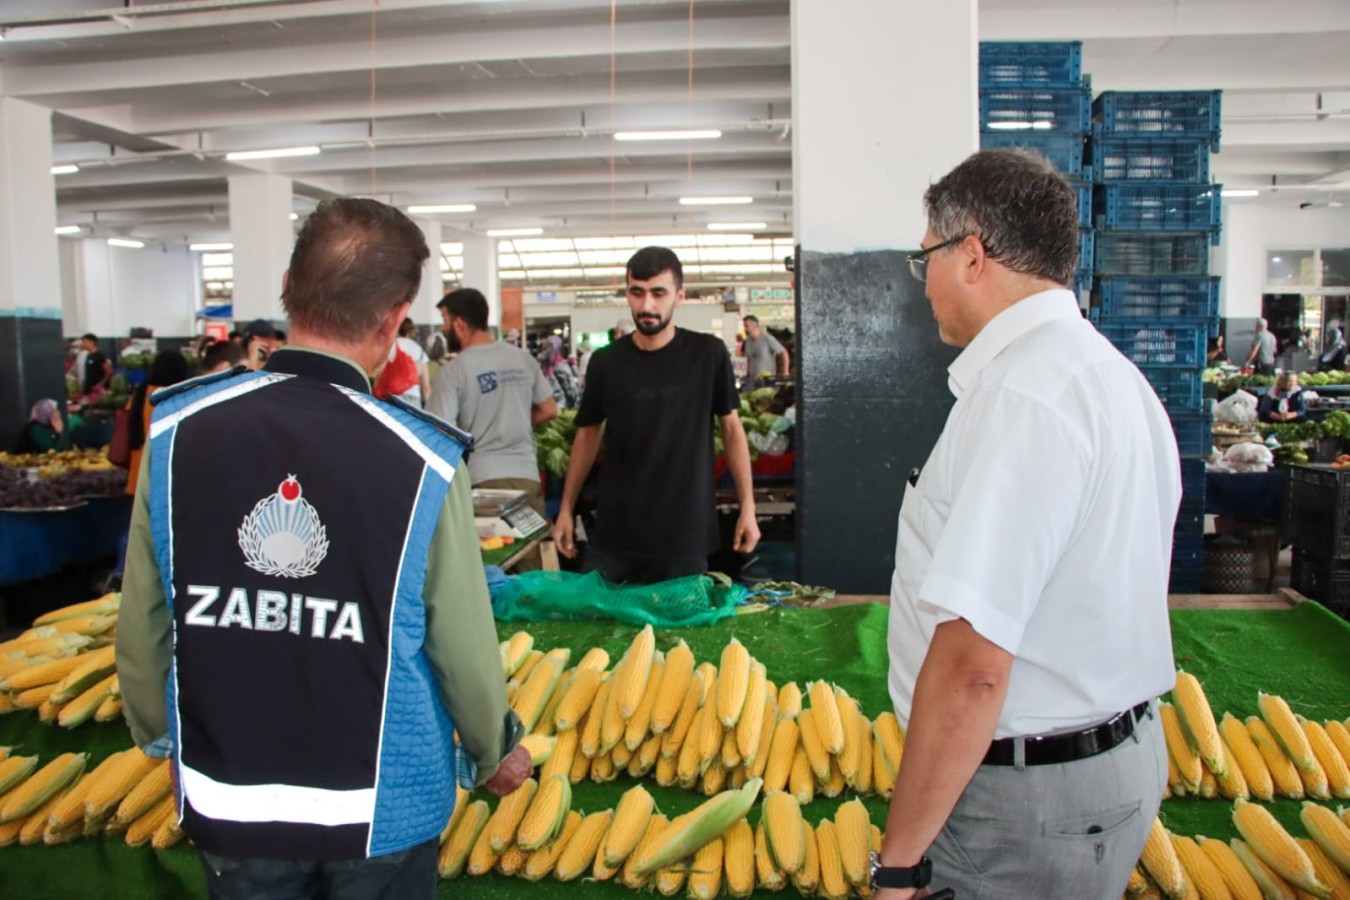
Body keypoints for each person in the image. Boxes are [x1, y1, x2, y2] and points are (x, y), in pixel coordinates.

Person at [116, 197, 531, 900]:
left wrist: (159, 734)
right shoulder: (422, 461)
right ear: (394, 321)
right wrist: (493, 748)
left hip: (231, 804)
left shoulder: (180, 435)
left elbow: (145, 618)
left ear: (287, 286)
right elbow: (460, 639)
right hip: (380, 811)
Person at [874, 150, 1177, 900]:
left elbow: (975, 665)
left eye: (927, 259)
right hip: (1109, 758)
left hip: (1025, 801)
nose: (926, 286)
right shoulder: (1111, 375)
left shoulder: (1024, 397)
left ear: (971, 254)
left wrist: (901, 861)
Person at [550, 246, 760, 584]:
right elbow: (587, 434)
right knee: (605, 633)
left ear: (679, 296)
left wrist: (747, 507)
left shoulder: (707, 355)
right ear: (627, 293)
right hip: (616, 534)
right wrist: (565, 509)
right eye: (637, 293)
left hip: (685, 533)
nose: (647, 306)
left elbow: (732, 429)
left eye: (658, 293)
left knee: (680, 633)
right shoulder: (606, 362)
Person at [427, 287, 557, 517]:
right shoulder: (523, 359)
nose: (444, 328)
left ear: (459, 323)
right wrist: (514, 420)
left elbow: (438, 432)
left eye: (445, 320)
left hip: (484, 483)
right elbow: (549, 410)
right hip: (527, 476)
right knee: (530, 550)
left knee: (494, 551)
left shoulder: (453, 370)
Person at [123, 349, 190, 496]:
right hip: (172, 462)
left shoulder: (142, 391)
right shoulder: (186, 393)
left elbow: (127, 417)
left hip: (142, 462)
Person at [742, 314, 790, 387]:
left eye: (746, 326)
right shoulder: (748, 341)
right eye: (744, 326)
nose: (745, 329)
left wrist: (785, 372)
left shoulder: (767, 339)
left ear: (755, 325)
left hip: (767, 380)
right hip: (752, 380)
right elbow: (748, 358)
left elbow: (784, 352)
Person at [393, 316, 431, 407]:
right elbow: (426, 387)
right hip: (413, 397)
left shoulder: (389, 347)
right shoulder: (418, 350)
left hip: (392, 397)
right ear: (411, 331)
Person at [538, 334, 580, 409]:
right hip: (558, 407)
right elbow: (572, 391)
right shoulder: (559, 366)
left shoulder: (544, 365)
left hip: (556, 407)